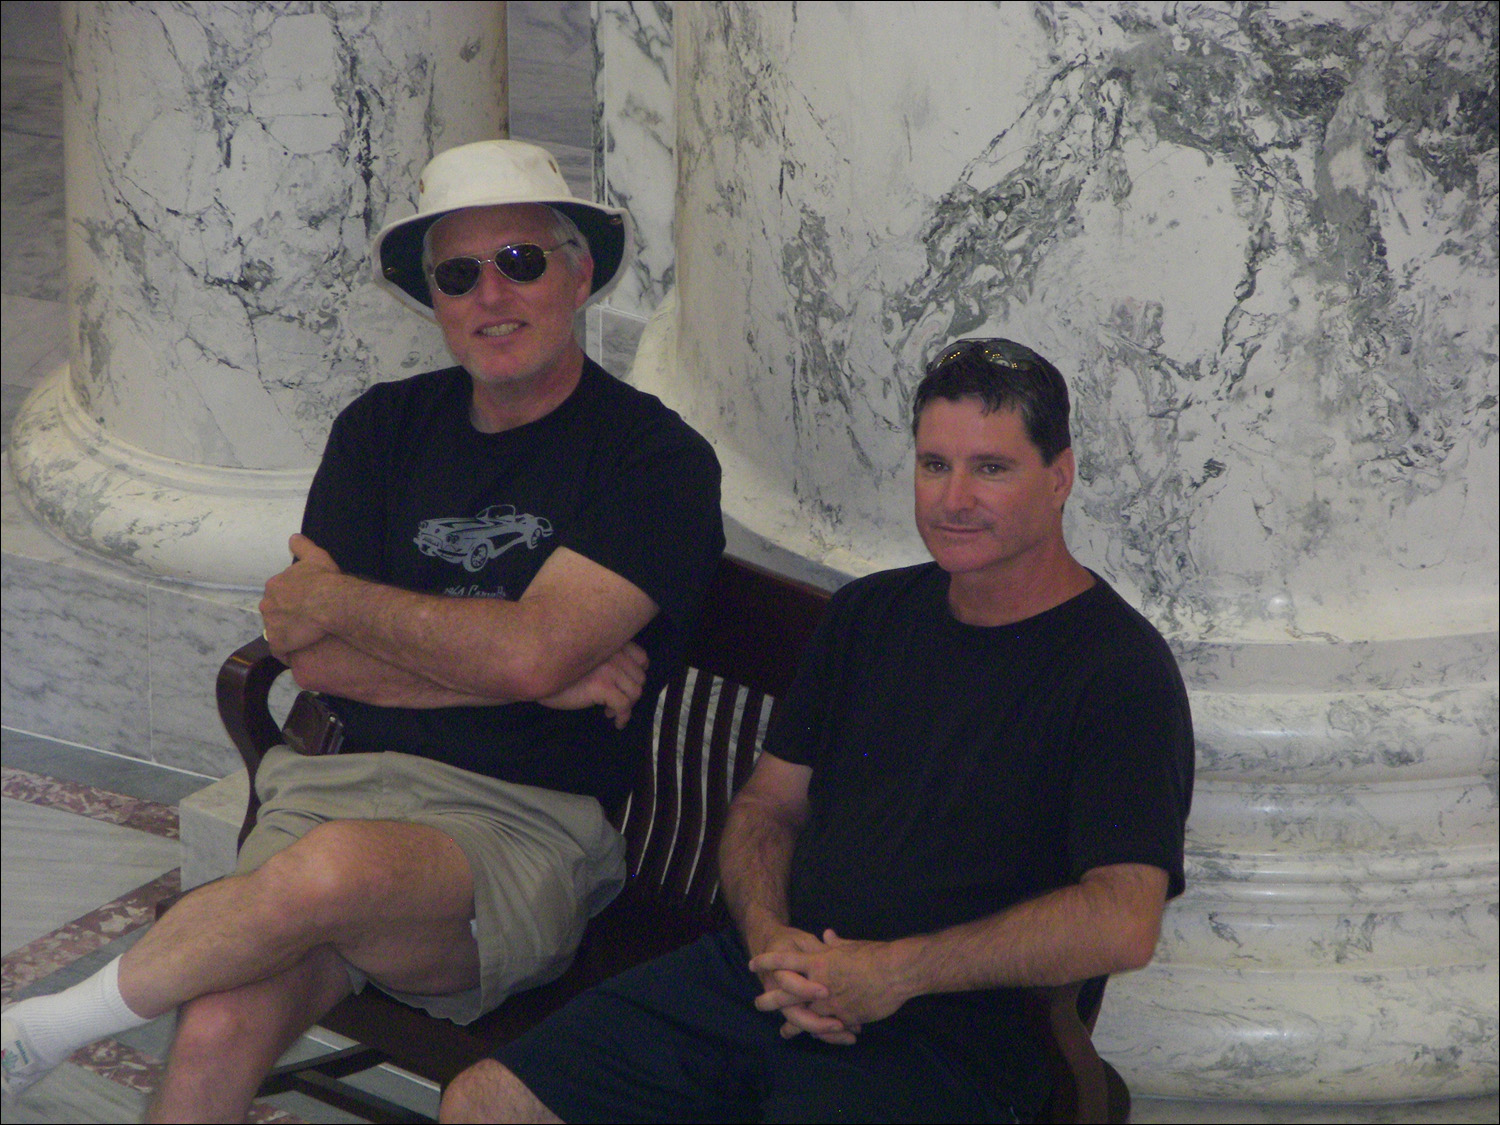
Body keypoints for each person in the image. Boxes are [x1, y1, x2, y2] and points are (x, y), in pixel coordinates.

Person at [1, 140, 724, 1121]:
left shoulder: (653, 462)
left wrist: (351, 603)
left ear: (580, 271)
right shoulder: (384, 428)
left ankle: (42, 1031)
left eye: (521, 261)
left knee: (329, 874)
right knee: (216, 1025)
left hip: (518, 829)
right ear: (432, 299)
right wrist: (510, 665)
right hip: (335, 790)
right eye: (457, 275)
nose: (490, 295)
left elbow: (522, 648)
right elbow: (316, 658)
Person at [439, 337, 1194, 1124]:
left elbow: (1123, 917)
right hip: (766, 980)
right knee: (484, 1102)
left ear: (1060, 476)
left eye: (991, 468)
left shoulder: (1118, 670)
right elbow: (767, 807)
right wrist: (771, 942)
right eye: (934, 465)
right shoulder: (869, 615)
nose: (954, 497)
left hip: (948, 1030)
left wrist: (894, 972)